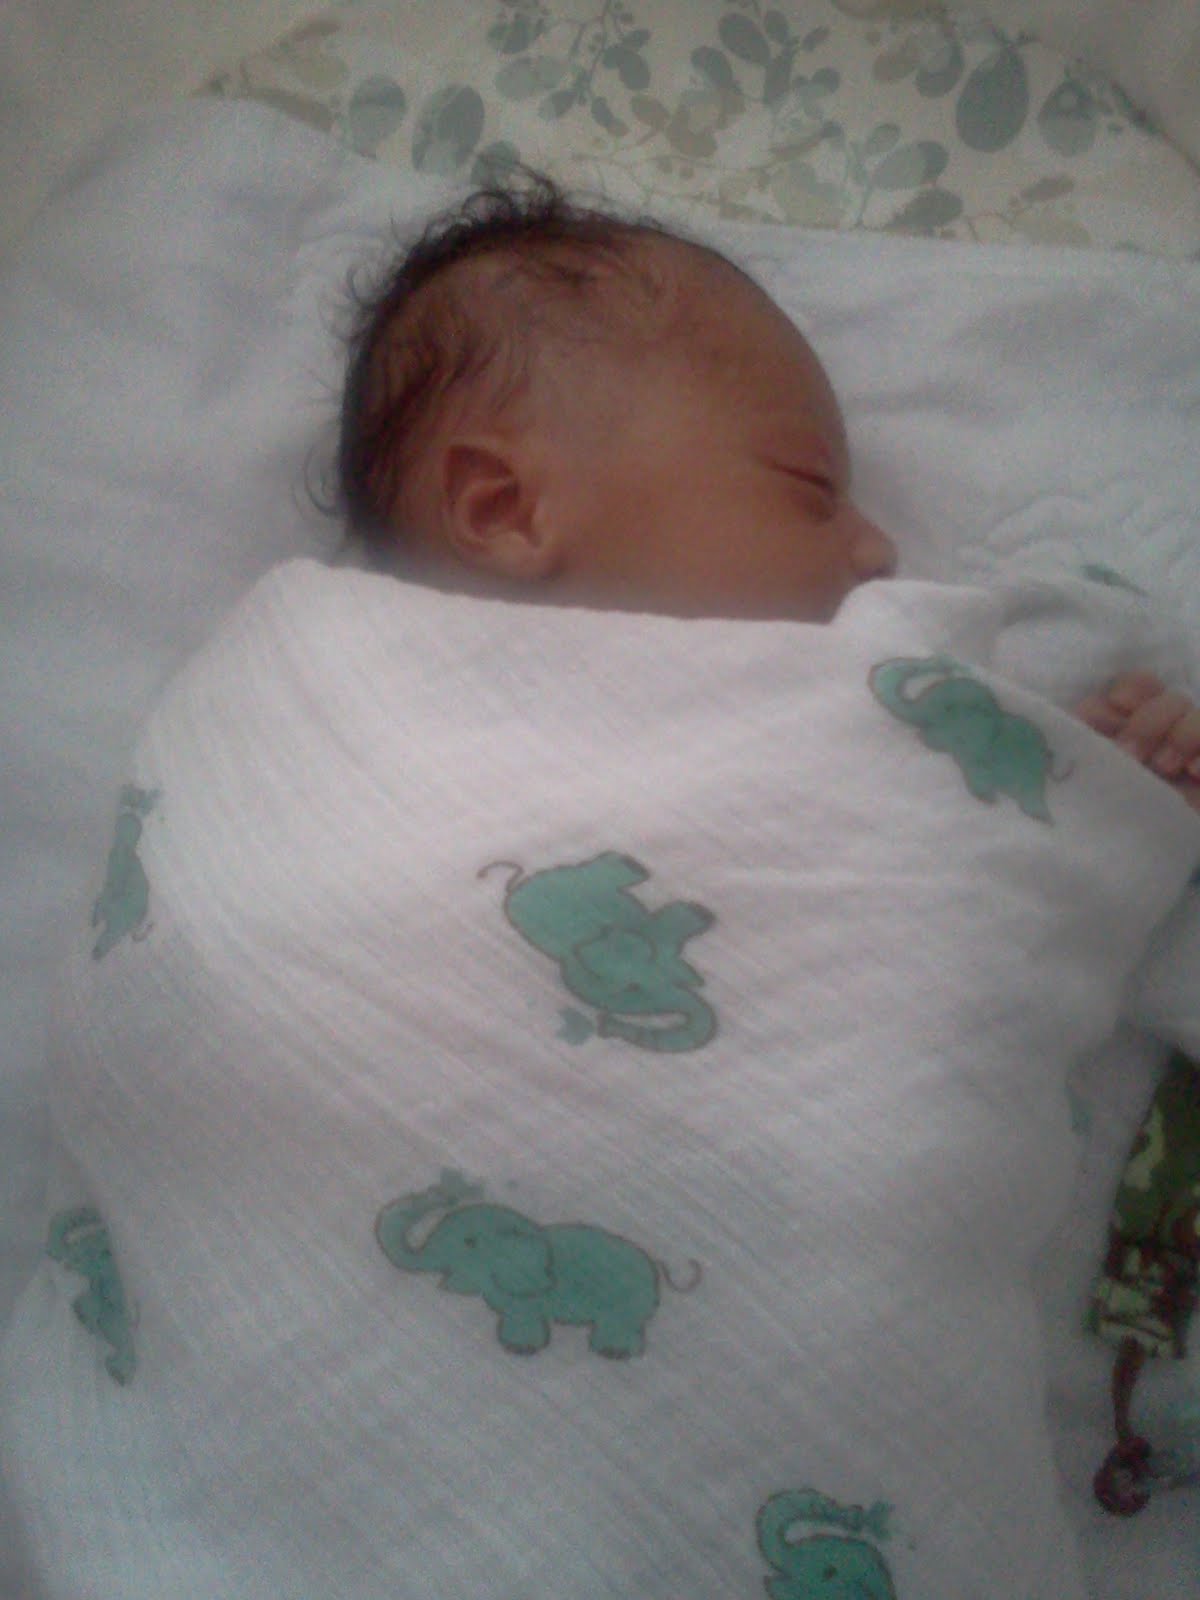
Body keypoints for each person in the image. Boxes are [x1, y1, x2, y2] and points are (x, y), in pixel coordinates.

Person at [335, 177, 1200, 810]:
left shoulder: (860, 701)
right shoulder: (344, 708)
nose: (881, 549)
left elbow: (966, 873)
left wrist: (1110, 788)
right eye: (810, 485)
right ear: (507, 511)